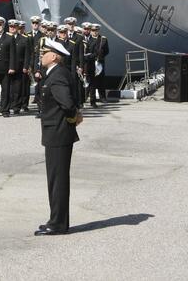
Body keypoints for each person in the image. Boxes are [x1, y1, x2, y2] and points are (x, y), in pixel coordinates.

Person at [35, 38, 82, 235]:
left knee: (58, 179)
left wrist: (73, 118)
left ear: (54, 56)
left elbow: (68, 103)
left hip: (58, 132)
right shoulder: (55, 73)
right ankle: (56, 219)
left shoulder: (57, 76)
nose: (41, 55)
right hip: (56, 132)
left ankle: (58, 224)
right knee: (55, 178)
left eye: (44, 52)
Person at [85, 24, 109, 106]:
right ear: (91, 31)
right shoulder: (87, 40)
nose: (94, 32)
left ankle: (102, 97)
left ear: (98, 31)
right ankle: (91, 99)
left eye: (96, 30)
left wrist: (100, 58)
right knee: (91, 81)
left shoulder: (103, 39)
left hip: (99, 62)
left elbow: (106, 51)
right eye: (93, 30)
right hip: (91, 62)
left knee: (101, 80)